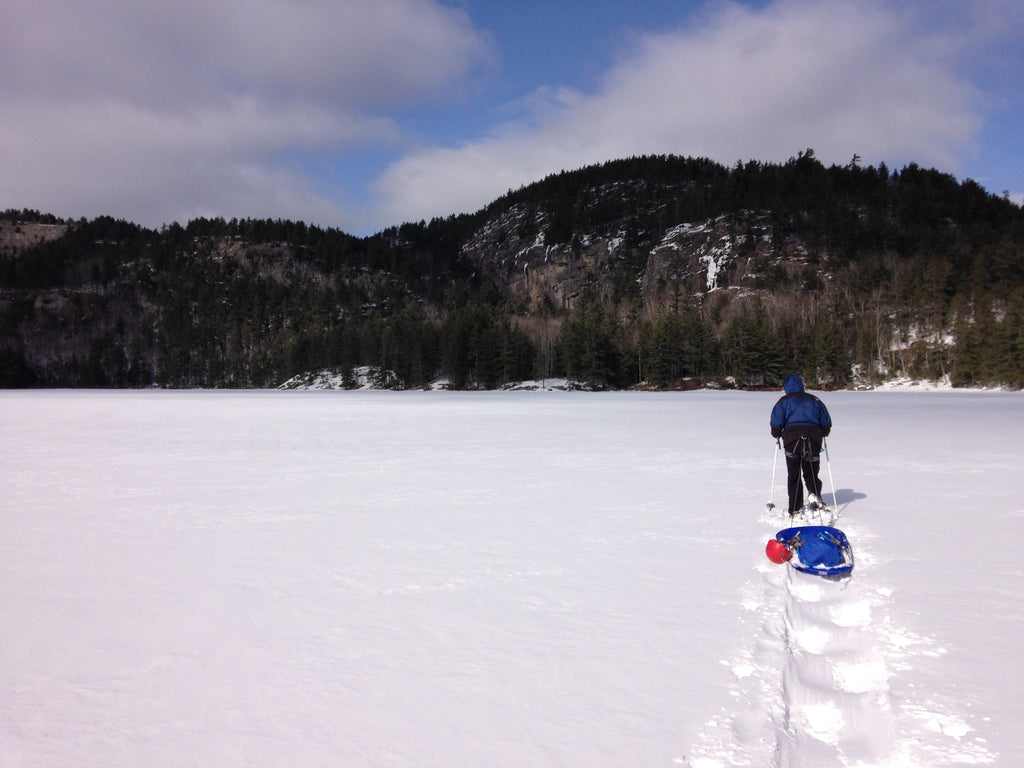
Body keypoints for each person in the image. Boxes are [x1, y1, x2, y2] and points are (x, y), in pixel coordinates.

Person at [770, 374, 832, 515]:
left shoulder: (783, 401)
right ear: (802, 386)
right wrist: (824, 432)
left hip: (792, 440)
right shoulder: (814, 400)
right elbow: (826, 421)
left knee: (794, 474)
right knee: (811, 470)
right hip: (813, 439)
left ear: (786, 388)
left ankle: (795, 507)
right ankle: (815, 495)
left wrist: (776, 432)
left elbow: (776, 422)